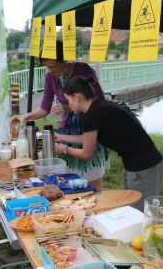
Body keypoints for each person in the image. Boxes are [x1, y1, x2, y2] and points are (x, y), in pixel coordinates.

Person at [53, 76, 163, 211]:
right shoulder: (98, 108)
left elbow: (86, 153)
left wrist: (64, 149)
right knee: (133, 209)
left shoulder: (92, 115)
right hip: (138, 165)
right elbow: (86, 139)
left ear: (76, 96)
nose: (68, 105)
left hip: (144, 166)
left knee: (141, 212)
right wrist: (60, 137)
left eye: (68, 99)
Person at [10, 41, 107, 191]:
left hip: (88, 129)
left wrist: (71, 108)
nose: (51, 70)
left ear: (64, 59)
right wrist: (26, 116)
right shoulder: (50, 77)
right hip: (67, 132)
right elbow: (44, 108)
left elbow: (99, 102)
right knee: (68, 183)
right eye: (48, 67)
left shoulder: (82, 70)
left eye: (54, 66)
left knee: (91, 184)